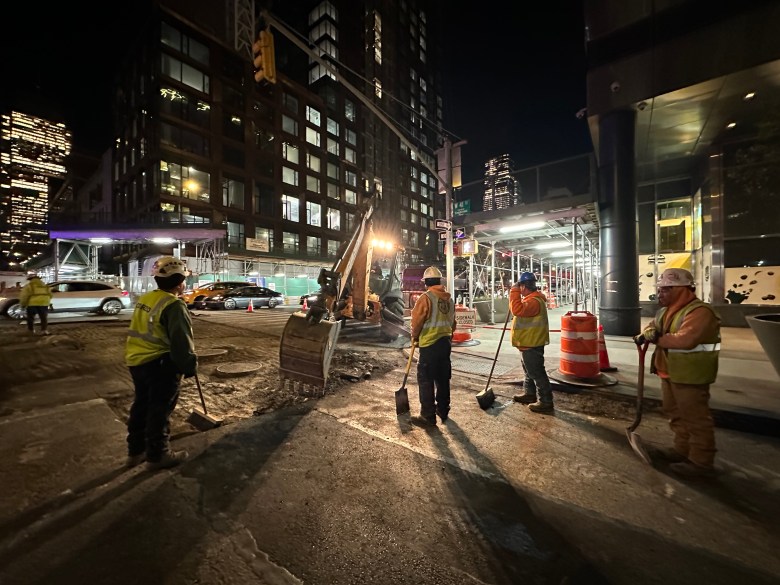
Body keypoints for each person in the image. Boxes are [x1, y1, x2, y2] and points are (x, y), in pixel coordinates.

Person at [635, 268, 720, 479]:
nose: (660, 294)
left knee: (695, 418)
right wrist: (647, 333)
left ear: (680, 289)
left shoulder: (699, 312)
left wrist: (656, 338)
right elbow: (652, 327)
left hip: (691, 374)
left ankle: (701, 462)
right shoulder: (665, 311)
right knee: (675, 413)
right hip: (669, 371)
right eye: (660, 290)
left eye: (665, 290)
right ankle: (681, 450)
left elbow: (685, 340)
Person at [125, 256, 197, 470]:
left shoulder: (147, 299)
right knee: (159, 410)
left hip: (137, 361)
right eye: (184, 279)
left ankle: (135, 452)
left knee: (141, 406)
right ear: (179, 281)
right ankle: (158, 455)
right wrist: (189, 366)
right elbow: (181, 342)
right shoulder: (174, 305)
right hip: (160, 365)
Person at [409, 266, 456, 427]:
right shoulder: (449, 300)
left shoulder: (426, 298)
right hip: (445, 344)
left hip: (429, 345)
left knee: (426, 379)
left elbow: (416, 322)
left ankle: (427, 416)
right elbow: (452, 323)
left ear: (426, 282)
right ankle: (443, 410)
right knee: (443, 378)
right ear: (439, 281)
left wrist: (415, 337)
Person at [510, 272, 554, 414]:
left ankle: (545, 401)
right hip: (527, 343)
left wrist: (513, 291)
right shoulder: (531, 299)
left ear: (523, 286)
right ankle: (530, 394)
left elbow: (517, 310)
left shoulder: (534, 301)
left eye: (520, 287)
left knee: (536, 373)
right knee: (529, 372)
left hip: (532, 344)